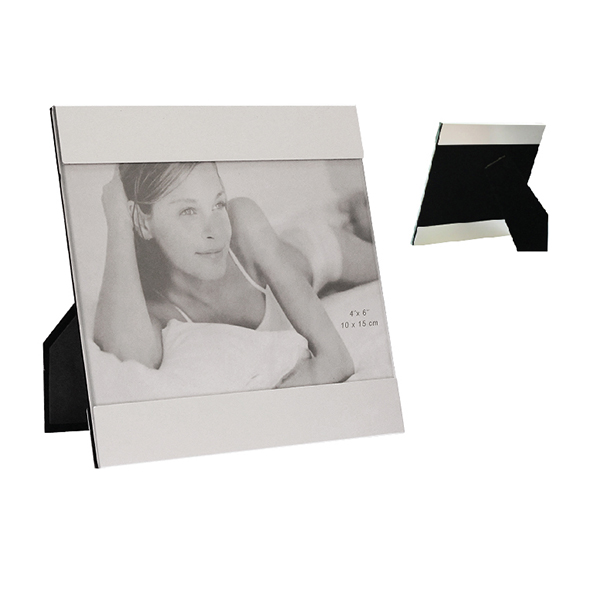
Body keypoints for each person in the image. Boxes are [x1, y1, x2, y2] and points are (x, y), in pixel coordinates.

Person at [94, 162, 372, 388]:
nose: (215, 231)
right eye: (188, 211)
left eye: (218, 204)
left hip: (317, 250)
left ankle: (354, 213)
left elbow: (336, 361)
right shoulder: (153, 309)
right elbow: (130, 358)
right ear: (143, 222)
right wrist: (119, 221)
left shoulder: (243, 222)